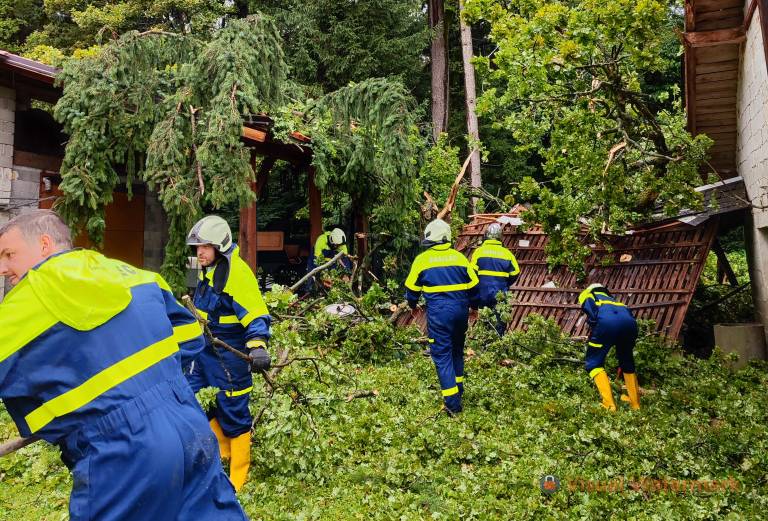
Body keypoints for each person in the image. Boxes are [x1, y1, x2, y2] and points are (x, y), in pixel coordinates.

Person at [0, 209, 247, 520]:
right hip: (187, 423)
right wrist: (151, 380)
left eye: (9, 254)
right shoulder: (130, 273)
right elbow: (189, 335)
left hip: (121, 451)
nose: (2, 268)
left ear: (45, 244)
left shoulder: (24, 302)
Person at [186, 215, 272, 491]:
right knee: (196, 398)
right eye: (197, 247)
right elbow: (190, 303)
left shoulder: (237, 273)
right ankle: (222, 452)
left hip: (230, 352)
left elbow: (256, 314)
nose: (199, 252)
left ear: (220, 246)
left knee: (232, 407)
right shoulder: (197, 266)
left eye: (205, 247)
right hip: (203, 349)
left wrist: (257, 346)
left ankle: (239, 474)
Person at [405, 218, 478, 414]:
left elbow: (411, 290)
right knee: (457, 351)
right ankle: (458, 390)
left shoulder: (422, 260)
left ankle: (452, 405)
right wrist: (474, 308)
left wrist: (412, 305)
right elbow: (474, 287)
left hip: (439, 313)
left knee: (442, 355)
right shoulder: (460, 258)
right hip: (460, 311)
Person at [578, 283, 640, 411]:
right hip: (630, 325)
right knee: (627, 361)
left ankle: (609, 405)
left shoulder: (589, 295)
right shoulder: (615, 302)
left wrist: (594, 333)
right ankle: (635, 404)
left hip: (607, 324)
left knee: (594, 363)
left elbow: (591, 315)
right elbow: (628, 317)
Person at [469, 223, 520, 335]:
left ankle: (484, 342)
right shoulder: (508, 254)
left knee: (484, 326)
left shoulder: (478, 252)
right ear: (500, 237)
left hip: (482, 295)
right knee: (499, 327)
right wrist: (505, 283)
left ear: (486, 235)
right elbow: (515, 273)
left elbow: (472, 274)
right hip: (500, 295)